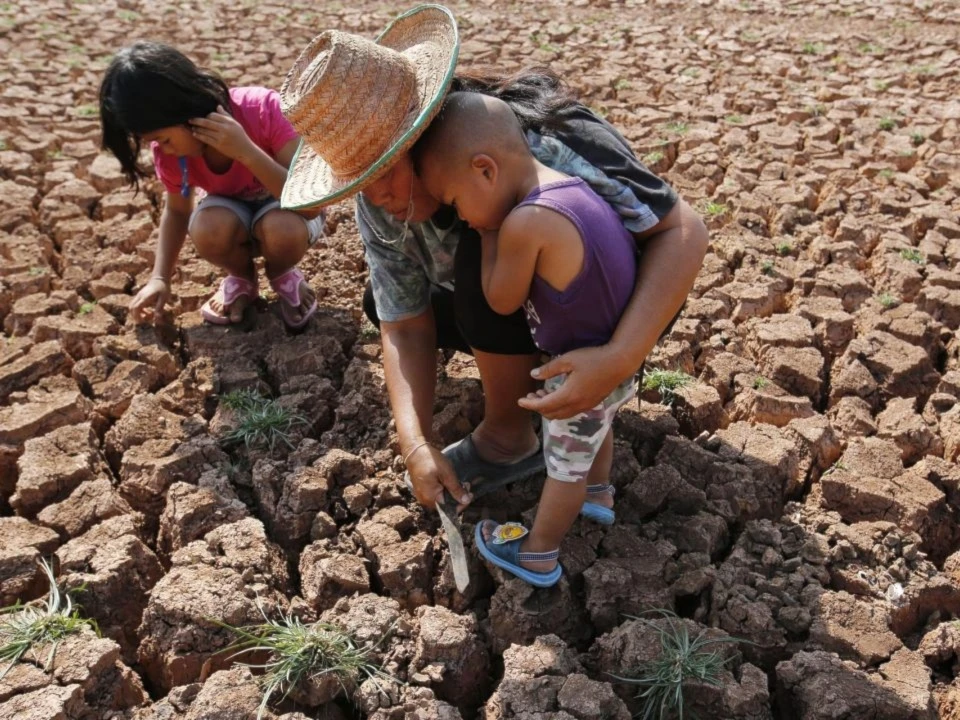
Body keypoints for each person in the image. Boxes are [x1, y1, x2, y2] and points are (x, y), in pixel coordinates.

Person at [278, 6, 707, 529]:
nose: (374, 196)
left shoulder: (541, 144)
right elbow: (404, 323)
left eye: (383, 172)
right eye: (356, 180)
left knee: (481, 256)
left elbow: (681, 232)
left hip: (612, 308)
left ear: (417, 138)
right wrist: (415, 441)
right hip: (533, 313)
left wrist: (617, 357)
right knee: (386, 297)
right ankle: (519, 419)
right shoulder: (380, 204)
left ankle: (509, 434)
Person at [410, 91, 639, 585]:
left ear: (486, 170)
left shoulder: (523, 223)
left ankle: (538, 551)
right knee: (599, 427)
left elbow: (500, 299)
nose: (462, 218)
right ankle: (599, 492)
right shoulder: (573, 187)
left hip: (574, 374)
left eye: (456, 202)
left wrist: (489, 233)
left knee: (563, 465)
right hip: (613, 358)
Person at [99, 41, 324, 329]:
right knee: (207, 227)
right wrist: (160, 278)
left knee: (283, 228)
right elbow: (178, 212)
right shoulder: (171, 154)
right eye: (154, 142)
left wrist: (246, 151)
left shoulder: (261, 110)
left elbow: (311, 206)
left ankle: (282, 274)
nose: (163, 149)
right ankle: (242, 279)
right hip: (234, 216)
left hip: (288, 210)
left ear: (184, 111)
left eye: (164, 139)